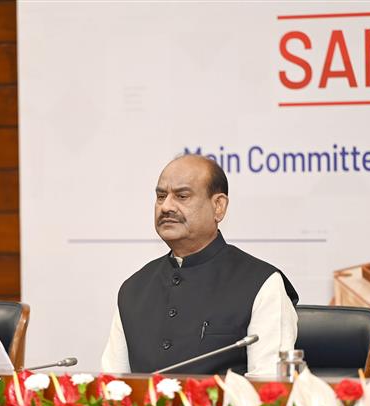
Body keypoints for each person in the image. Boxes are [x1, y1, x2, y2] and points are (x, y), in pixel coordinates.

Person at [101, 154, 299, 375]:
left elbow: (268, 391)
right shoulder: (134, 288)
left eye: (182, 196)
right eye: (160, 196)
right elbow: (113, 385)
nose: (166, 206)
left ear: (218, 207)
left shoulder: (262, 283)